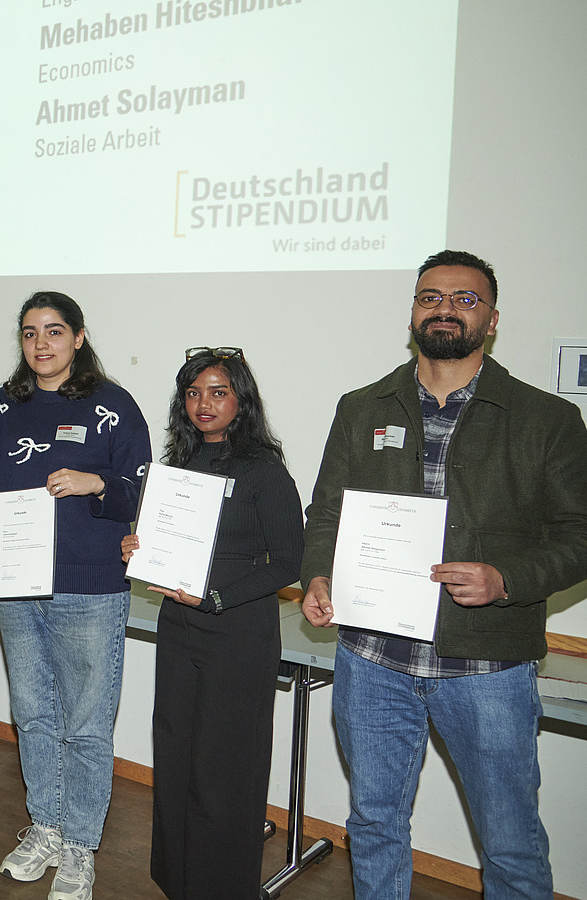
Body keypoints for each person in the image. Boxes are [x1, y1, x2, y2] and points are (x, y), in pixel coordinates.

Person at [300, 250, 587, 899]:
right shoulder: (361, 406)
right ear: (413, 311)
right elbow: (326, 514)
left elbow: (580, 536)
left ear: (490, 319)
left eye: (465, 299)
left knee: (510, 843)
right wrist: (319, 575)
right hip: (372, 661)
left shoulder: (546, 420)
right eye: (431, 296)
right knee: (374, 824)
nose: (446, 308)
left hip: (486, 670)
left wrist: (505, 578)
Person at [0, 292, 150, 898]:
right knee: (34, 714)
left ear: (79, 336)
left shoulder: (113, 406)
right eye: (29, 333)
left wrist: (97, 483)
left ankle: (79, 847)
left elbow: (145, 494)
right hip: (16, 585)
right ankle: (46, 825)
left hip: (91, 586)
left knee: (88, 725)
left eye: (54, 331)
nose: (41, 344)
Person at [120, 348, 303, 900]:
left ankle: (221, 887)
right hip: (179, 626)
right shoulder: (176, 467)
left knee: (226, 771)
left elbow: (289, 562)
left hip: (239, 633)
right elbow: (163, 545)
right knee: (175, 757)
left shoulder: (265, 472)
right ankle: (178, 881)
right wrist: (137, 547)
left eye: (218, 392)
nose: (204, 404)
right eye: (194, 393)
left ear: (241, 400)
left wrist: (218, 596)